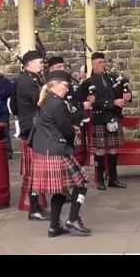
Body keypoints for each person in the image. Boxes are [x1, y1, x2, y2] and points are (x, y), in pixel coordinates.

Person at [30, 70, 91, 237]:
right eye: (65, 86)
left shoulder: (45, 100)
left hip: (46, 150)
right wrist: (75, 132)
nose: (67, 89)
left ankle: (54, 227)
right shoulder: (56, 103)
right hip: (57, 150)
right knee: (82, 183)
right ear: (54, 85)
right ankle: (72, 220)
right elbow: (66, 129)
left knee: (60, 189)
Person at [77, 52, 130, 190]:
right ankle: (100, 180)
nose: (103, 64)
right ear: (93, 64)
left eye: (103, 62)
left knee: (113, 149)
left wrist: (128, 96)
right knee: (100, 150)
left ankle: (113, 179)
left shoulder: (113, 79)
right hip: (100, 119)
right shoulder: (88, 83)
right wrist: (113, 102)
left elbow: (123, 92)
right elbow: (87, 101)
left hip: (114, 117)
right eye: (99, 62)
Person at [16, 50, 50, 221]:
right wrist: (48, 88)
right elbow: (40, 101)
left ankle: (36, 208)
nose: (42, 65)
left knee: (37, 171)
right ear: (29, 64)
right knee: (35, 171)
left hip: (34, 127)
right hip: (32, 129)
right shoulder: (26, 80)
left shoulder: (31, 79)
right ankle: (34, 209)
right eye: (39, 62)